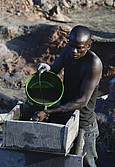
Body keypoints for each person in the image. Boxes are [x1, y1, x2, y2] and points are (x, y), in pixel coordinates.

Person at [36, 25, 102, 167]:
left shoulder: (94, 64)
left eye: (80, 48)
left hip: (84, 123)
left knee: (87, 163)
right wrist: (46, 68)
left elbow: (82, 101)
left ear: (89, 45)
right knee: (64, 160)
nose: (74, 51)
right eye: (71, 46)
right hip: (65, 116)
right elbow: (54, 70)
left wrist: (48, 112)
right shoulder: (68, 50)